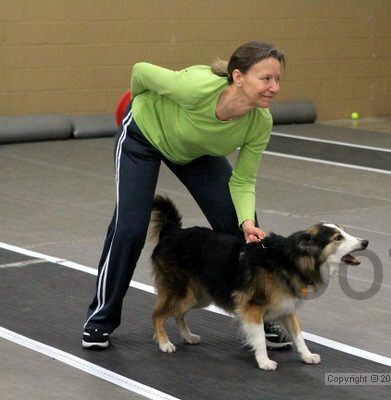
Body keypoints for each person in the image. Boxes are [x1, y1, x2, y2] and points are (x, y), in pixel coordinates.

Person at [82, 41, 291, 350]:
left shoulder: (260, 122)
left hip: (196, 151)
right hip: (144, 137)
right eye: (266, 79)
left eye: (277, 79)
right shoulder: (196, 87)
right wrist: (138, 107)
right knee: (129, 229)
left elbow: (244, 180)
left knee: (243, 229)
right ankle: (101, 318)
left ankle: (259, 312)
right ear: (238, 77)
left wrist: (247, 221)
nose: (274, 87)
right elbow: (140, 71)